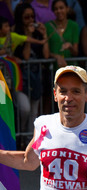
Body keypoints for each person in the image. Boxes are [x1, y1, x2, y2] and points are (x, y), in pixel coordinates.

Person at [13, 2, 49, 139]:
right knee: (24, 108)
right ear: (20, 18)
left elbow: (46, 55)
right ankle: (20, 136)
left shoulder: (38, 34)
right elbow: (26, 56)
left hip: (36, 77)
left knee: (34, 112)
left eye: (32, 17)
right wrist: (28, 38)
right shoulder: (15, 33)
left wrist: (44, 35)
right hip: (20, 79)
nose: (30, 20)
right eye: (26, 17)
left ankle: (30, 142)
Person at [45, 0, 79, 69]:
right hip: (53, 68)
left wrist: (70, 47)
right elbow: (46, 53)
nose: (59, 11)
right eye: (56, 9)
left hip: (70, 68)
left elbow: (76, 52)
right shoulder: (48, 26)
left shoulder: (74, 26)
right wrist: (57, 57)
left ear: (67, 9)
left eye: (61, 8)